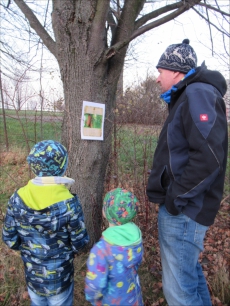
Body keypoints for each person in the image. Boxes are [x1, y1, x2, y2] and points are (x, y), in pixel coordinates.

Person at [146, 38, 228, 306]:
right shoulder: (188, 96)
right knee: (189, 278)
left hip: (184, 210)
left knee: (179, 293)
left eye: (160, 71)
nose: (157, 79)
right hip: (184, 208)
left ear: (175, 70)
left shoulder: (197, 93)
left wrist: (175, 199)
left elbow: (209, 157)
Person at [2, 140, 89, 306]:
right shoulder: (69, 204)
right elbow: (80, 243)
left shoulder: (17, 198)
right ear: (62, 167)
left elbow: (10, 239)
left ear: (34, 167)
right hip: (60, 279)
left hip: (33, 277)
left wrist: (30, 250)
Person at [85, 187, 144, 306]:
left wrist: (92, 298)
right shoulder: (135, 238)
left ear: (106, 213)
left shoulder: (101, 249)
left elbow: (95, 284)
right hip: (133, 299)